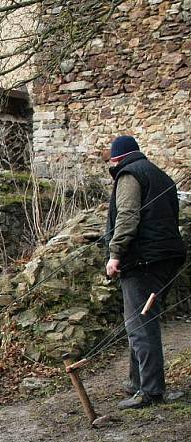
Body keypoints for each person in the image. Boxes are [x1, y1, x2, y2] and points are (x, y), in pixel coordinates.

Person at [104, 135, 186, 409]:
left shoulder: (129, 175)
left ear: (117, 159)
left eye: (111, 160)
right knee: (140, 319)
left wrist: (115, 254)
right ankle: (136, 382)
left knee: (140, 324)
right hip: (167, 257)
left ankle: (150, 391)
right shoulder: (160, 175)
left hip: (143, 260)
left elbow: (127, 217)